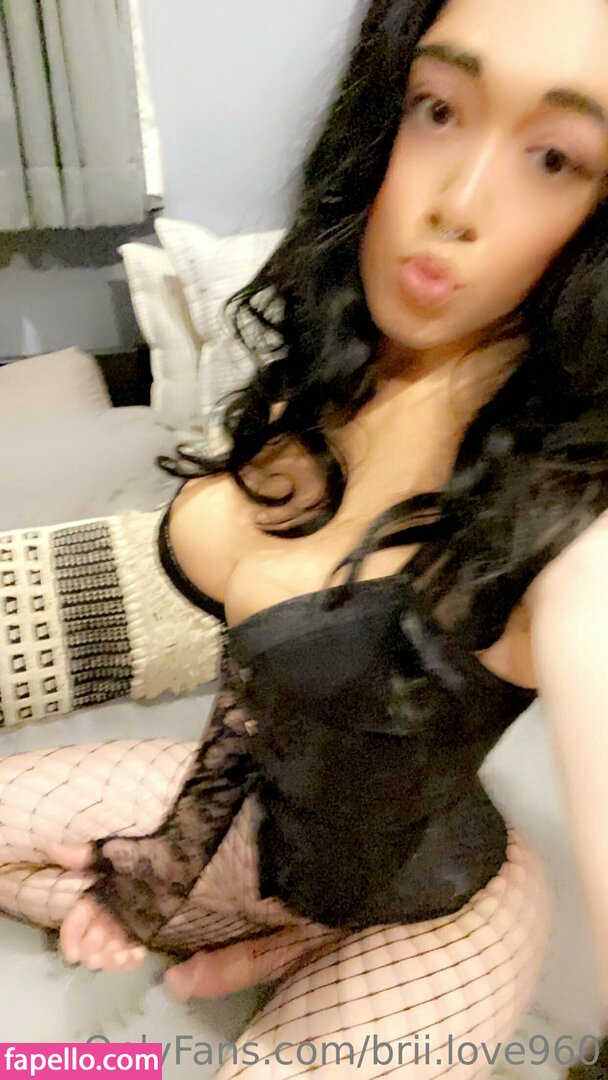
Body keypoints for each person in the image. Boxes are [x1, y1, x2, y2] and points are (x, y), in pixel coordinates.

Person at [1, 0, 608, 1074]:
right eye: (438, 108)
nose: (456, 202)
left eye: (555, 158)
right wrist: (158, 876)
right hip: (257, 825)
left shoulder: (575, 531)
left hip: (440, 908)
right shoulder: (339, 384)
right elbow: (255, 696)